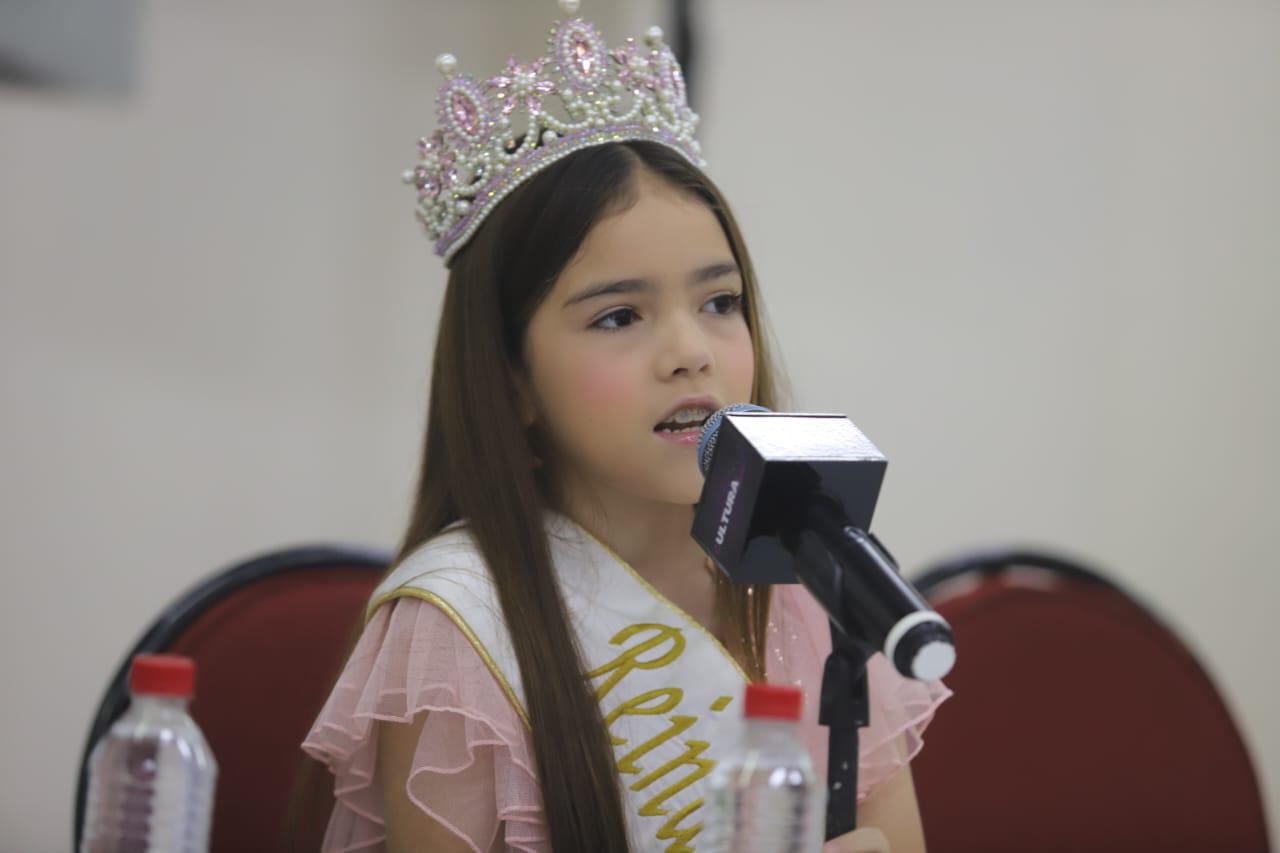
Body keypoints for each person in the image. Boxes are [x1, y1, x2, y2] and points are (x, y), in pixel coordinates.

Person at [302, 2, 952, 850]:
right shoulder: (463, 626)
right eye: (618, 317)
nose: (690, 353)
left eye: (720, 302)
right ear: (512, 381)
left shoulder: (803, 580)